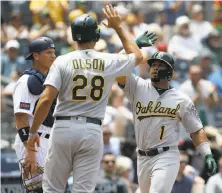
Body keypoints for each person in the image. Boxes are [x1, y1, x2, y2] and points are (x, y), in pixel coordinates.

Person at [25, 4, 155, 193]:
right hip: (91, 130)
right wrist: (119, 27)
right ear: (96, 36)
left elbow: (45, 100)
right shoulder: (107, 60)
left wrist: (32, 133)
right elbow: (137, 56)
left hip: (63, 128)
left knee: (52, 189)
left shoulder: (62, 60)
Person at [116, 51, 217, 193]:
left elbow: (196, 130)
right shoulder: (137, 86)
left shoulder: (181, 99)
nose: (155, 68)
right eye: (153, 64)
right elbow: (116, 65)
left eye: (160, 65)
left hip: (166, 155)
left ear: (170, 71)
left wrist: (207, 154)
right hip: (142, 157)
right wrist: (134, 48)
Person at [13, 37, 56, 193]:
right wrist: (30, 153)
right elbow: (21, 118)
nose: (53, 56)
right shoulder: (26, 81)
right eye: (48, 52)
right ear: (36, 56)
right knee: (35, 191)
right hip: (33, 142)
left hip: (50, 139)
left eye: (54, 52)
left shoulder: (50, 79)